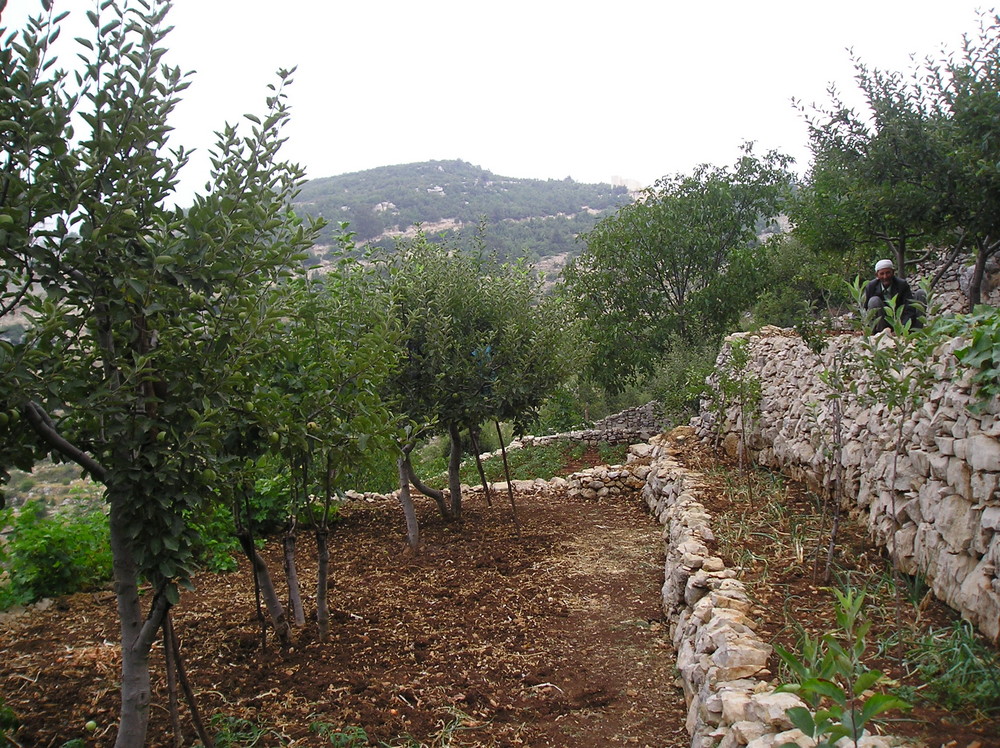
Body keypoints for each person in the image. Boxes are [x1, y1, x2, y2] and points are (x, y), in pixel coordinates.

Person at [863, 259, 925, 332]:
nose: (885, 276)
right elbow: (865, 308)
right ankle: (881, 334)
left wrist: (902, 328)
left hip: (902, 322)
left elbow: (909, 308)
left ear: (893, 272)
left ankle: (917, 331)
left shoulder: (902, 285)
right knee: (874, 301)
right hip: (883, 323)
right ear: (877, 275)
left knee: (921, 293)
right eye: (882, 274)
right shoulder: (871, 286)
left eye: (888, 273)